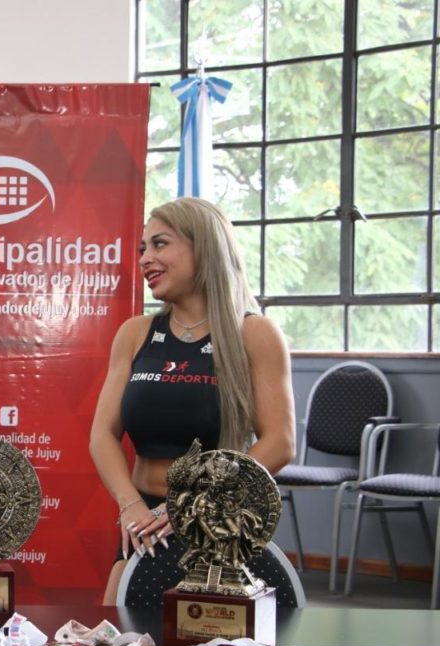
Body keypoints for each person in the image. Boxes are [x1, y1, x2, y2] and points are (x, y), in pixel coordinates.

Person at [89, 197, 295, 605]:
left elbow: (280, 442)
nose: (146, 258)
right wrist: (130, 506)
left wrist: (188, 509)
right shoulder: (135, 333)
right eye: (143, 248)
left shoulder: (255, 334)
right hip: (144, 522)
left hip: (218, 521)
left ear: (204, 246)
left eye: (160, 244)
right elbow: (102, 435)